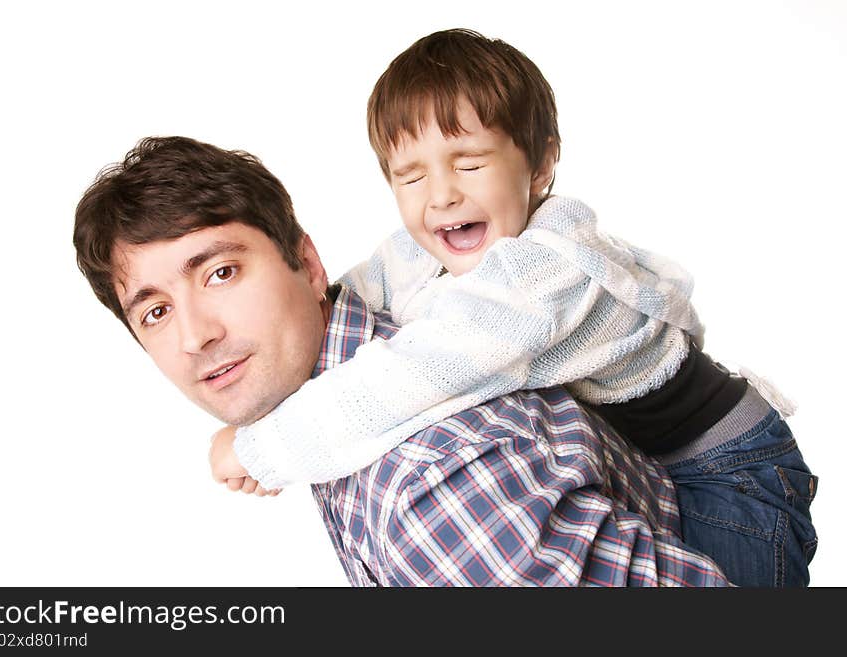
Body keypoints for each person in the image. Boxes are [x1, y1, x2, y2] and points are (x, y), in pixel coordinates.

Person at [210, 29, 818, 586]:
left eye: (469, 163)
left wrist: (264, 446)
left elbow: (418, 371)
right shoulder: (424, 252)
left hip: (729, 475)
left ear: (541, 165)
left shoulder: (544, 271)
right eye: (410, 176)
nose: (442, 195)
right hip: (652, 465)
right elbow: (355, 298)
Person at [73, 135, 731, 586]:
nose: (195, 335)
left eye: (219, 271)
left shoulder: (427, 479)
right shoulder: (342, 403)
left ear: (306, 264)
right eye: (154, 310)